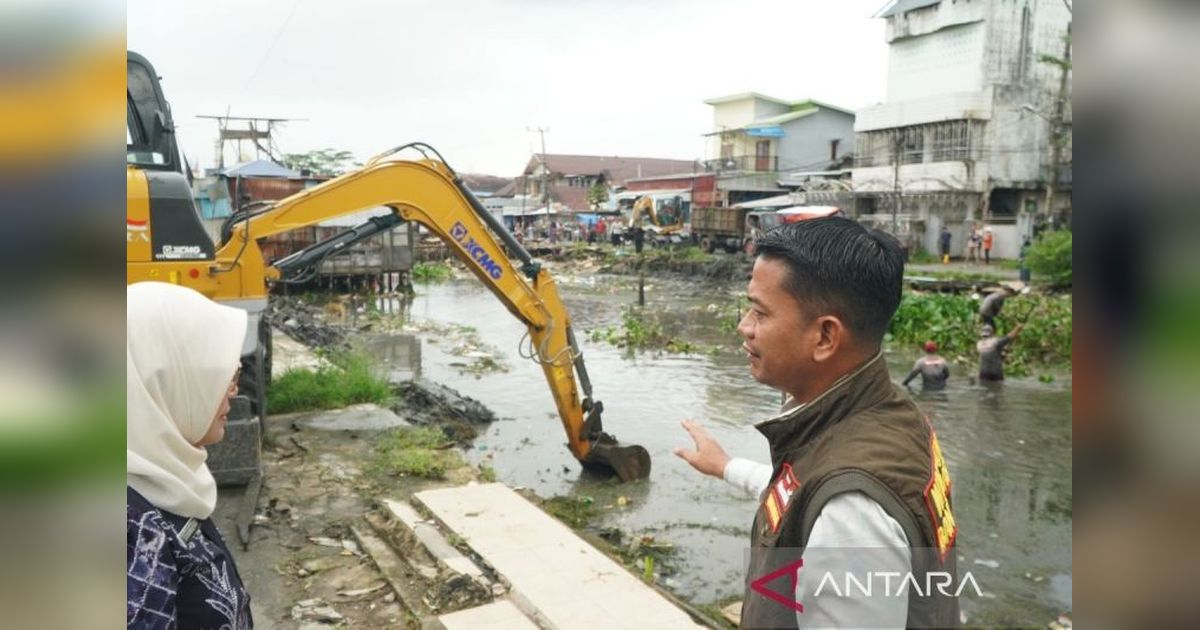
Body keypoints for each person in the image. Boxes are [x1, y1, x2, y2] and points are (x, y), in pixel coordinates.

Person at [674, 218, 959, 628]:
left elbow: (826, 498)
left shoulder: (852, 513)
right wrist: (726, 466)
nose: (744, 327)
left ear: (825, 336)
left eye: (759, 311)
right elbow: (802, 491)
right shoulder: (892, 413)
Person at [127, 282, 254, 629]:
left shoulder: (164, 480)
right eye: (224, 375)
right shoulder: (127, 526)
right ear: (164, 378)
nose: (233, 390)